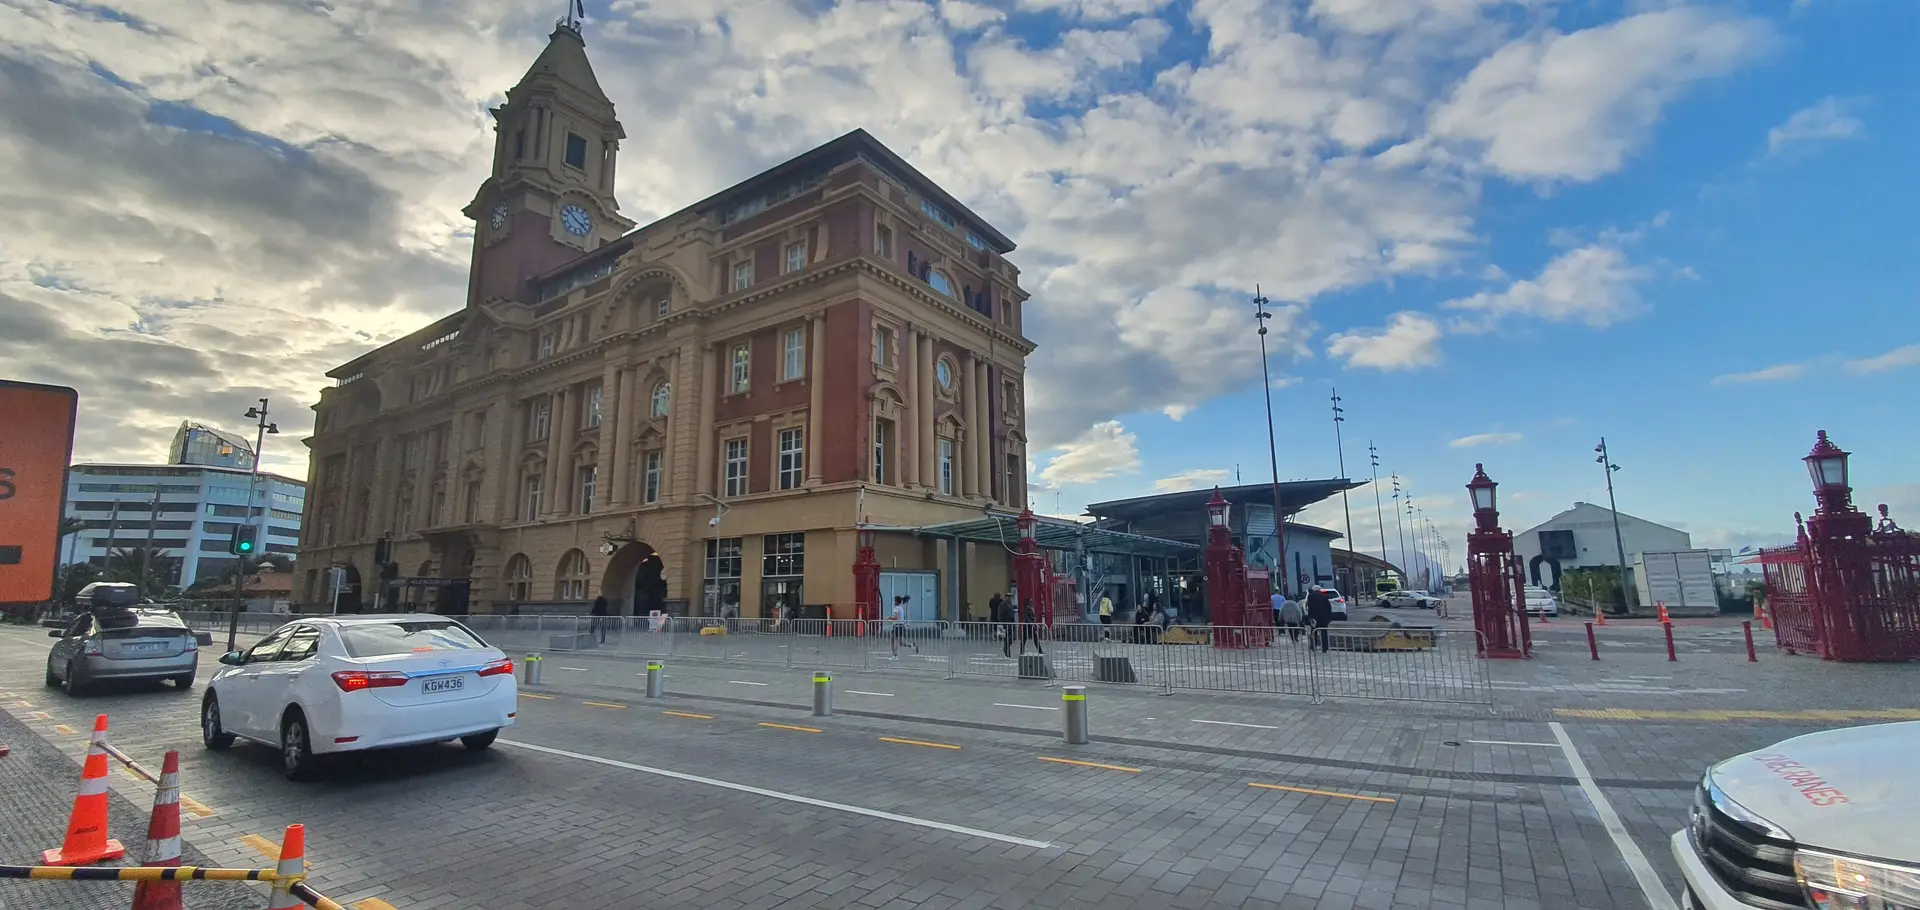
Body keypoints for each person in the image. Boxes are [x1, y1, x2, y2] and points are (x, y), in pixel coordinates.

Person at [1305, 586, 1334, 652]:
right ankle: (1325, 648)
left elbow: (1309, 608)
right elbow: (1329, 607)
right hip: (1324, 618)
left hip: (1314, 618)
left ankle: (1313, 646)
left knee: (1313, 632)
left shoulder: (1310, 596)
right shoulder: (1324, 596)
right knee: (1324, 633)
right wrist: (1328, 616)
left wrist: (1310, 617)